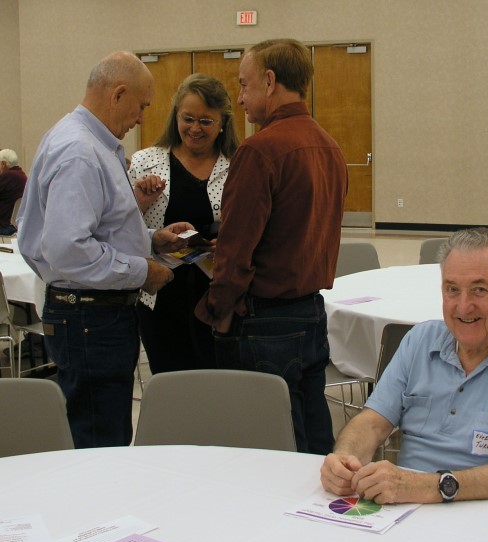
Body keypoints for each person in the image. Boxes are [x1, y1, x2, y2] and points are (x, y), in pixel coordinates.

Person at [17, 51, 193, 449]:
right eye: (142, 106)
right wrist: (143, 271)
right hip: (89, 317)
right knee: (99, 440)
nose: (142, 119)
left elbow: (96, 228)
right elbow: (69, 250)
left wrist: (151, 239)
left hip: (92, 315)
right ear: (118, 95)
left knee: (104, 430)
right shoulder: (79, 152)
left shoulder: (89, 142)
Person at [320, 228, 488, 506]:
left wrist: (430, 487)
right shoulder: (420, 342)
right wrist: (345, 458)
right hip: (412, 510)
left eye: (480, 290)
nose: (463, 307)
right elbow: (372, 422)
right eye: (452, 290)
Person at [195, 39, 348, 455]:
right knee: (315, 438)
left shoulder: (259, 151)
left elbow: (235, 253)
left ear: (269, 80)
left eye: (244, 86)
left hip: (263, 324)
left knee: (269, 449)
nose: (240, 99)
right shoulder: (330, 146)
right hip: (311, 313)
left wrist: (216, 311)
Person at [128, 74, 238, 374]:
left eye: (206, 121)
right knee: (169, 381)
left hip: (216, 294)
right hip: (160, 295)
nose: (195, 128)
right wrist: (139, 200)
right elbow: (118, 227)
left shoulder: (237, 166)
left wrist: (229, 242)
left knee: (215, 381)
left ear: (222, 123)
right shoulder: (144, 163)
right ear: (175, 116)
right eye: (187, 118)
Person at [0, 149, 27, 235]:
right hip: (15, 224)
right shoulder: (22, 175)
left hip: (4, 226)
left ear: (3, 164)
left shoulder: (8, 176)